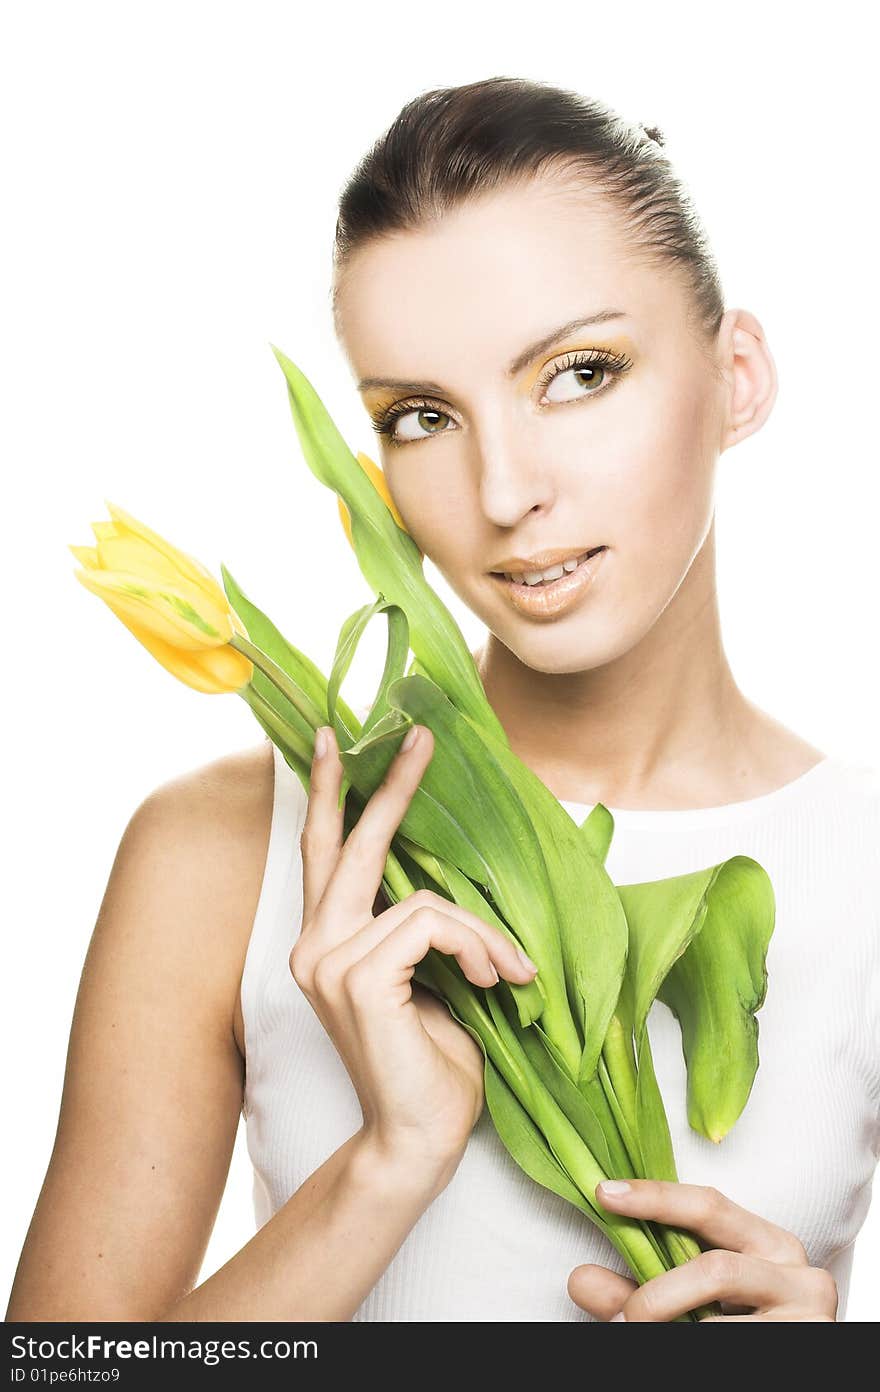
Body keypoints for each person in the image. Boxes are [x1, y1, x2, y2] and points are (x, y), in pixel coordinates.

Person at [7, 76, 877, 1324]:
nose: (504, 488)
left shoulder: (863, 859)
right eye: (422, 416)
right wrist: (383, 1165)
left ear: (736, 376)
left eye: (579, 373)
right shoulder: (213, 856)